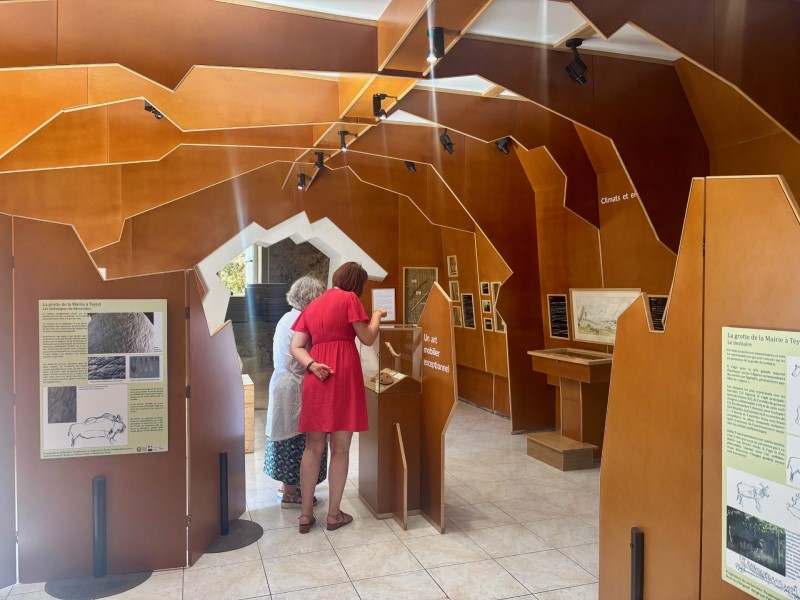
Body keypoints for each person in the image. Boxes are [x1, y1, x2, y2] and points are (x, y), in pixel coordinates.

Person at [290, 262, 386, 533]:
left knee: (313, 447)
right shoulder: (350, 299)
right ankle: (333, 515)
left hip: (317, 374)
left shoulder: (313, 305)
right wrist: (377, 315)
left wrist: (311, 365)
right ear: (358, 284)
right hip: (343, 374)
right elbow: (366, 338)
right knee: (340, 448)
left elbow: (296, 346)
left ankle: (305, 515)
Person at [264, 275, 328, 508]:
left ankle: (286, 484)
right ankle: (293, 492)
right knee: (297, 439)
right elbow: (306, 356)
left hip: (283, 382)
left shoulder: (286, 317)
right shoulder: (302, 320)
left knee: (286, 433)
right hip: (295, 385)